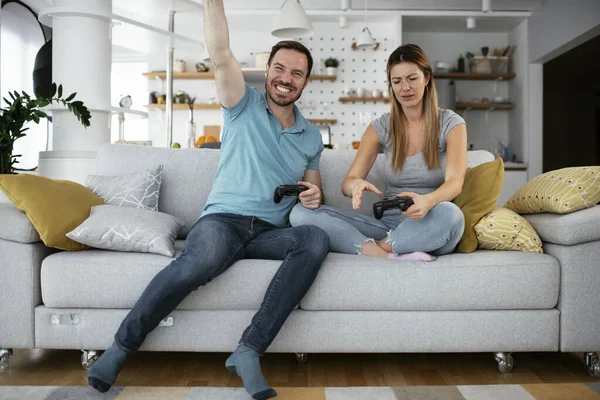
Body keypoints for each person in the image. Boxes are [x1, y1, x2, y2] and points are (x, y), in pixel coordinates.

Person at [87, 1, 329, 399]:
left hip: (271, 231)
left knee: (314, 239)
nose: (286, 79)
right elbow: (220, 55)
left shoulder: (311, 136)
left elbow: (312, 194)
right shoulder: (242, 104)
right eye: (280, 69)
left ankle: (248, 350)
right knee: (197, 261)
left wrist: (314, 193)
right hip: (224, 221)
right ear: (267, 71)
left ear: (305, 82)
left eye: (297, 74)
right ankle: (121, 347)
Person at [290, 43, 466, 260]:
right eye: (397, 81)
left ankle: (385, 248)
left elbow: (455, 183)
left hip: (429, 223)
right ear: (391, 85)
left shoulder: (452, 124)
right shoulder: (381, 127)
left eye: (412, 78)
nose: (405, 88)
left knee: (452, 215)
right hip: (388, 224)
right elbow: (348, 183)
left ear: (427, 78)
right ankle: (384, 253)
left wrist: (428, 201)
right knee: (300, 213)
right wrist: (355, 185)